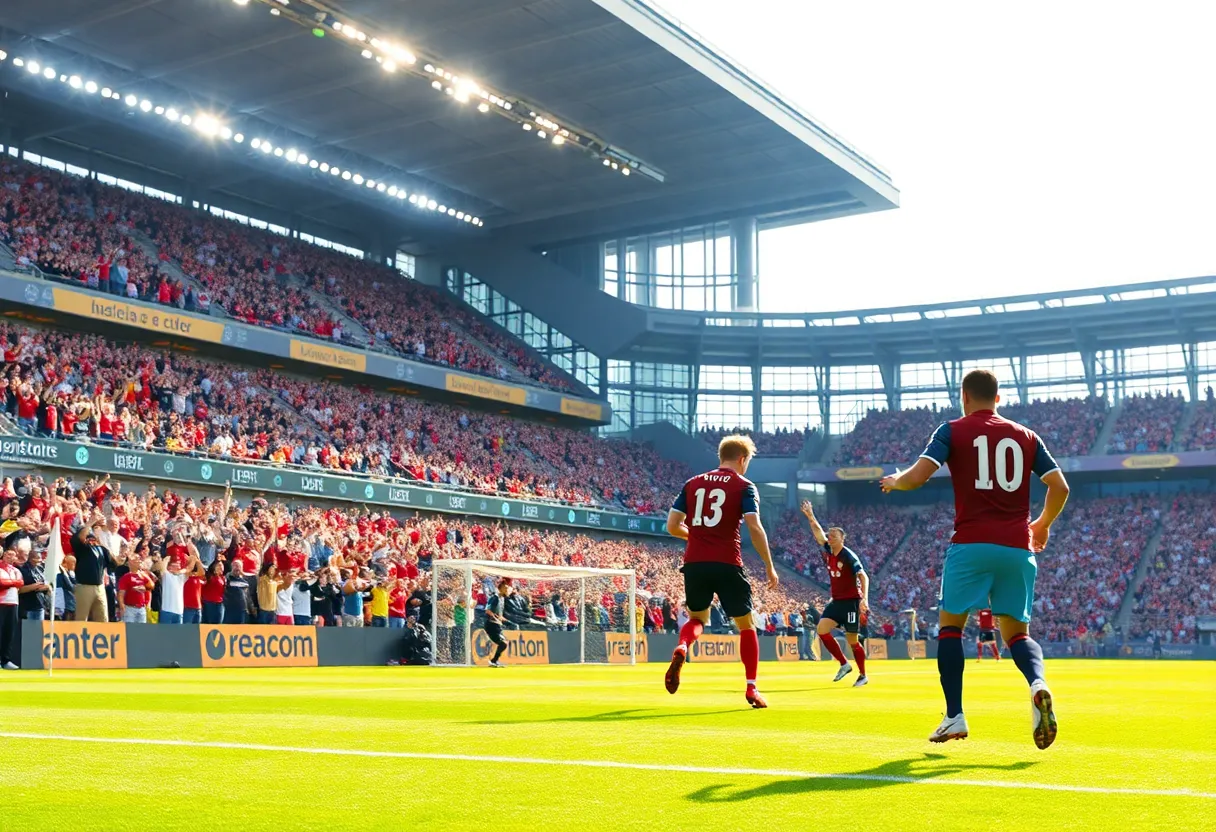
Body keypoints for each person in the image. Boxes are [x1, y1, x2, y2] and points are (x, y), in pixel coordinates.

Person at [880, 369, 1070, 749]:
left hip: (970, 544)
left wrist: (895, 480)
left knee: (951, 627)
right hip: (1018, 547)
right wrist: (1043, 524)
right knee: (1017, 634)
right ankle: (1038, 684)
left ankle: (954, 716)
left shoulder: (952, 429)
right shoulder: (1027, 436)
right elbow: (1060, 486)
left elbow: (918, 476)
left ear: (963, 396)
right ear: (998, 399)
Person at [664, 434, 779, 708]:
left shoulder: (692, 483)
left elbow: (671, 525)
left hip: (695, 562)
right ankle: (751, 688)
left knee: (698, 619)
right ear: (742, 459)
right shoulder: (745, 486)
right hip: (728, 561)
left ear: (720, 456)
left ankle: (682, 647)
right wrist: (769, 565)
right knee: (746, 625)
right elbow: (753, 526)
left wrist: (696, 537)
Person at [799, 501, 870, 687]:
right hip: (836, 601)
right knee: (821, 630)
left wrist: (864, 599)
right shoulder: (828, 550)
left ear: (842, 538)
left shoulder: (848, 556)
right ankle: (844, 664)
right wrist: (810, 515)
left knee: (852, 641)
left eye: (834, 536)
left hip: (851, 603)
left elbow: (863, 576)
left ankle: (863, 675)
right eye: (829, 535)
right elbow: (817, 531)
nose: (829, 538)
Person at [71, 509, 126, 622]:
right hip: (84, 586)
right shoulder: (83, 548)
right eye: (90, 536)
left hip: (100, 587)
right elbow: (79, 538)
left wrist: (122, 554)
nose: (93, 539)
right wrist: (91, 522)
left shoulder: (101, 549)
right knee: (81, 618)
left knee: (102, 619)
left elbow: (115, 564)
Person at [0, 549, 23, 669]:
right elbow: (1, 583)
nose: (10, 557)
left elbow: (21, 583)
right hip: (1, 602)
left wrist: (11, 583)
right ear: (3, 555)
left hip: (13, 602)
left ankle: (5, 660)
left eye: (13, 555)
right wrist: (14, 583)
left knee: (9, 632)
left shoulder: (16, 570)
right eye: (8, 554)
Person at [483, 578, 511, 667]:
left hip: (497, 625)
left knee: (504, 643)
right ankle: (493, 661)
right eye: (505, 588)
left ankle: (494, 661)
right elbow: (487, 610)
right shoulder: (494, 597)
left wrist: (505, 620)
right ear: (501, 588)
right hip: (491, 625)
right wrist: (494, 617)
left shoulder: (501, 599)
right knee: (503, 644)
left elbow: (499, 614)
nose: (507, 590)